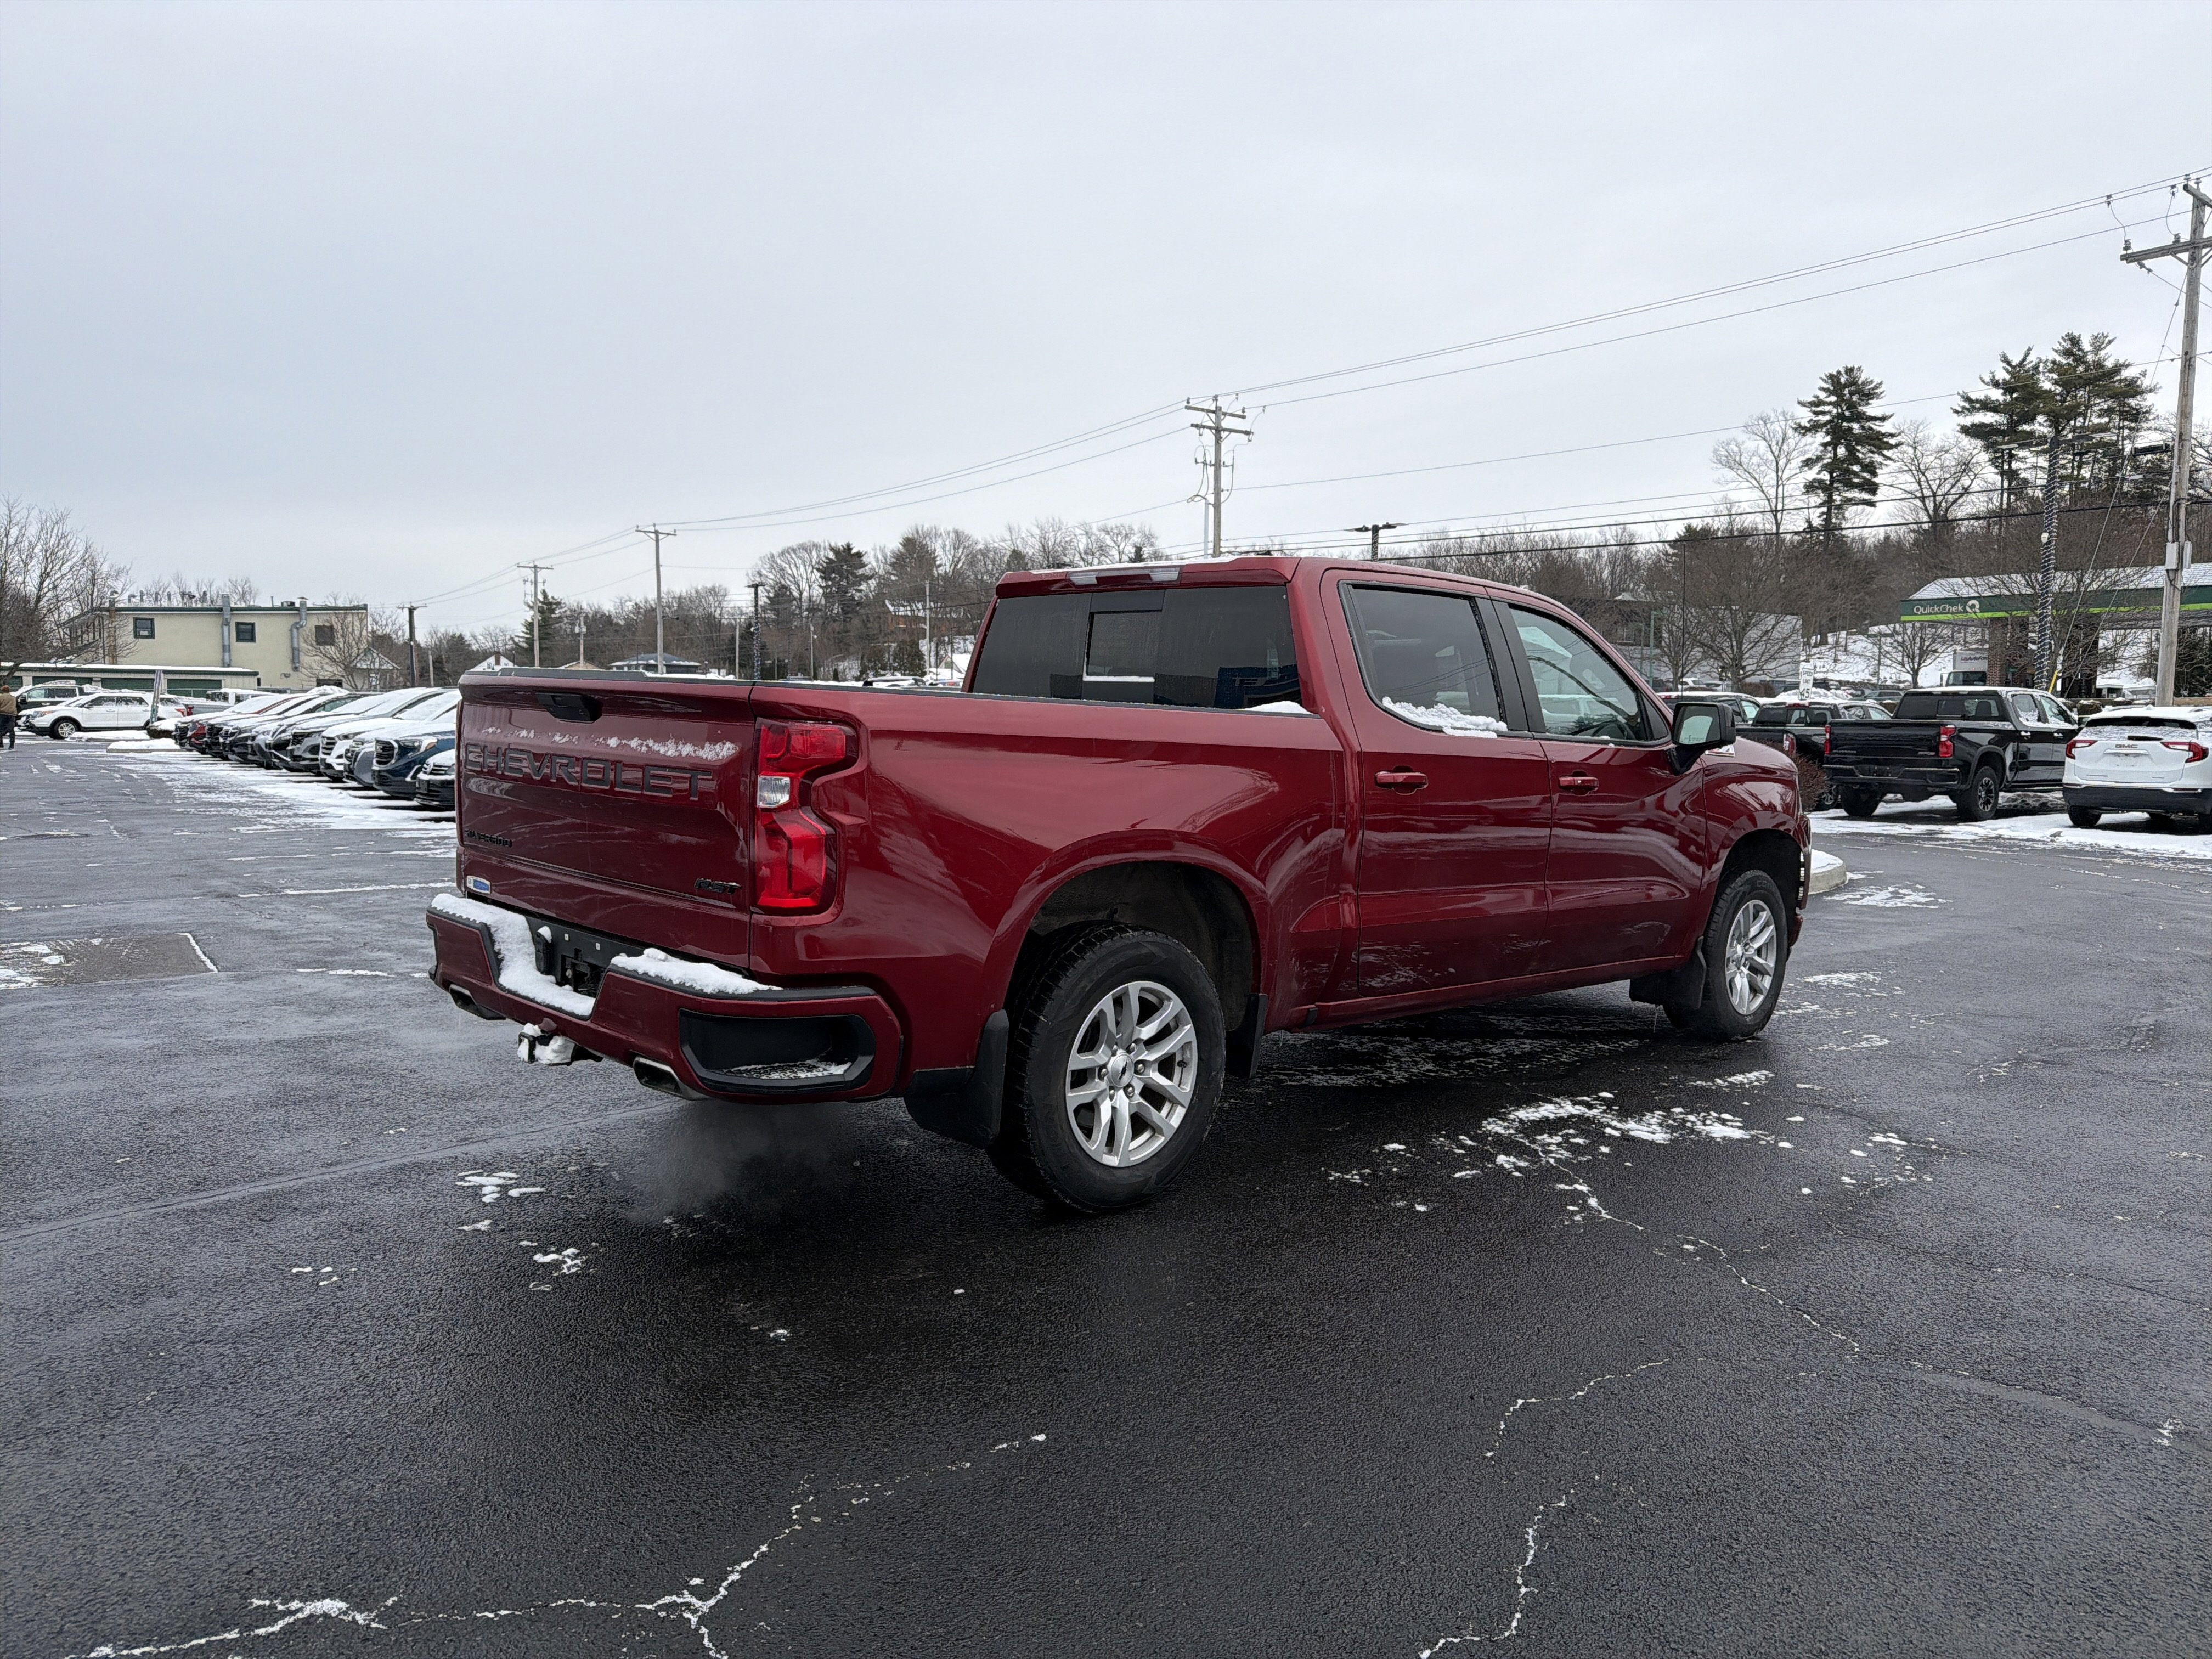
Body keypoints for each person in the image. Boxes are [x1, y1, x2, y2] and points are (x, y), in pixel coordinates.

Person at [0, 682, 18, 749]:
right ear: (9, 691)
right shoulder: (14, 698)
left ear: (3, 691)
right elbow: (19, 707)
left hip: (2, 714)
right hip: (12, 715)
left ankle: (1, 744)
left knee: (0, 729)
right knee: (11, 730)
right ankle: (12, 745)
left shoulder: (1, 697)